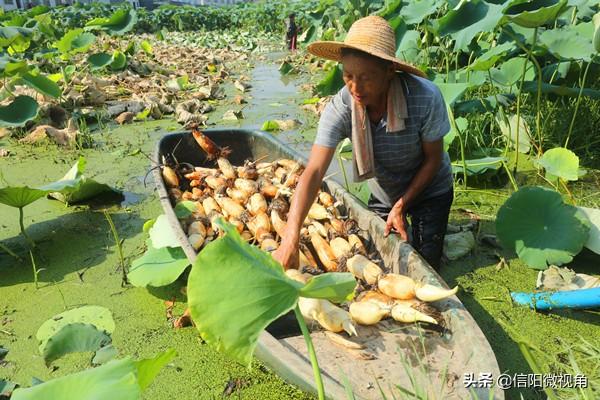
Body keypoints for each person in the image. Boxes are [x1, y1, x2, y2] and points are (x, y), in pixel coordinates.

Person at [273, 16, 453, 271]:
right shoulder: (341, 107)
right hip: (385, 191)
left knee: (426, 264)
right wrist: (290, 238)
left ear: (390, 70)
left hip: (430, 188)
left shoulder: (425, 97)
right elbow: (313, 172)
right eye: (348, 75)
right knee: (379, 262)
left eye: (366, 77)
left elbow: (434, 159)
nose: (355, 87)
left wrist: (402, 205)